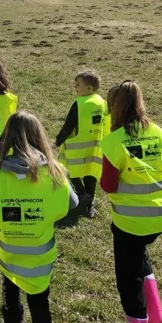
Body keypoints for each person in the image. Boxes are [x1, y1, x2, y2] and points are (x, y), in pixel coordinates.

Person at [0, 111, 78, 323]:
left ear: (6, 139)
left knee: (10, 286)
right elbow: (72, 203)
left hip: (9, 252)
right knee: (40, 300)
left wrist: (13, 212)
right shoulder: (54, 172)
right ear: (40, 137)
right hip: (40, 254)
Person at [99, 80, 162, 323]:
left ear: (114, 109)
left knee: (127, 280)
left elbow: (108, 185)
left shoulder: (112, 142)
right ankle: (156, 315)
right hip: (159, 217)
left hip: (130, 222)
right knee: (139, 253)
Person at [54, 70, 109, 218]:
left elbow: (69, 125)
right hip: (96, 149)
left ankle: (81, 193)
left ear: (89, 88)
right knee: (91, 175)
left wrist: (57, 142)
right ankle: (89, 207)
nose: (75, 87)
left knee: (69, 171)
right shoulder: (103, 103)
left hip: (76, 149)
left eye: (78, 84)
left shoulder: (79, 103)